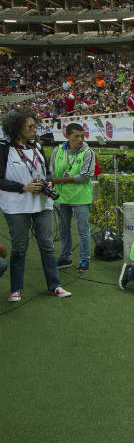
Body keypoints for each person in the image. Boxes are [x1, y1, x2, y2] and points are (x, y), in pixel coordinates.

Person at [0, 108, 71, 301]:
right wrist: (23, 187)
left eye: (35, 125)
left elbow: (45, 171)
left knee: (47, 245)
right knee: (19, 247)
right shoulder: (4, 148)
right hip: (16, 206)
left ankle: (54, 285)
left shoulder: (36, 146)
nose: (34, 130)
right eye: (30, 126)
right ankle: (16, 289)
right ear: (17, 128)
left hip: (41, 203)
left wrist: (47, 182)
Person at [50, 123, 96, 271]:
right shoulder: (57, 151)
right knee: (63, 230)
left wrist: (61, 180)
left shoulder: (88, 152)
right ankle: (65, 257)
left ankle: (84, 259)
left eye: (82, 136)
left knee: (83, 230)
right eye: (76, 136)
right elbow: (51, 172)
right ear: (67, 135)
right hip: (61, 197)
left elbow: (86, 176)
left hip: (80, 198)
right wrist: (53, 181)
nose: (80, 139)